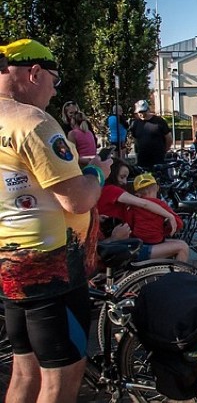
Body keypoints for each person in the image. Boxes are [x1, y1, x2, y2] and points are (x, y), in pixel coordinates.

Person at [0, 38, 112, 402]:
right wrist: (96, 172)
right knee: (60, 378)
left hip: (12, 265)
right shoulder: (32, 121)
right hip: (53, 270)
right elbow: (77, 200)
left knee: (23, 372)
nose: (53, 89)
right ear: (35, 72)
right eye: (54, 79)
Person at [97, 158, 181, 262]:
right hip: (119, 245)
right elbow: (144, 203)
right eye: (122, 177)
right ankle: (180, 277)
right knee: (182, 247)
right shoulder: (111, 190)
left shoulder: (103, 190)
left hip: (117, 242)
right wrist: (170, 216)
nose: (124, 182)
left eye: (126, 178)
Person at [125, 173, 189, 262]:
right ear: (157, 188)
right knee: (183, 247)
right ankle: (178, 275)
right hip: (154, 243)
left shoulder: (134, 206)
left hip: (138, 241)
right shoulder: (161, 205)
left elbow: (129, 223)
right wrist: (165, 230)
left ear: (137, 194)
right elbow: (179, 224)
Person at [128, 100, 172, 169]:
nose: (141, 114)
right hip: (142, 159)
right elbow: (135, 140)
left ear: (148, 110)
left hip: (158, 158)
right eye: (139, 112)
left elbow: (169, 138)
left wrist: (164, 151)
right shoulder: (135, 123)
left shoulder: (159, 121)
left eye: (143, 111)